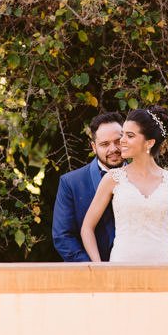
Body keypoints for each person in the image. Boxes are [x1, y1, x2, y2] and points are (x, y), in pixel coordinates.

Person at [81, 106, 168, 263]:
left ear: (149, 143)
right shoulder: (112, 179)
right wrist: (99, 266)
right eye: (123, 134)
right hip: (121, 266)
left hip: (164, 267)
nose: (122, 140)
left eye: (130, 135)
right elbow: (87, 228)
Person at [52, 111, 125, 262]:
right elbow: (63, 236)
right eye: (105, 144)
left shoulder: (144, 177)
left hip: (140, 268)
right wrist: (92, 269)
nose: (113, 149)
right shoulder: (71, 183)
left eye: (117, 141)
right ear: (93, 147)